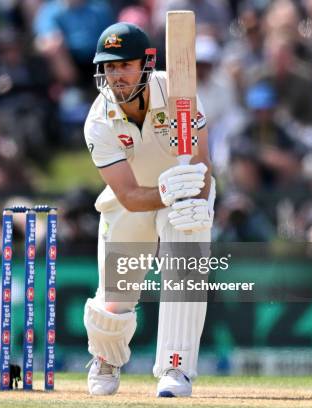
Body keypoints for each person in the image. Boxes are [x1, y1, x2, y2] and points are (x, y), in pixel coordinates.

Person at [82, 23, 214, 397]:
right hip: (135, 199)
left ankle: (176, 368)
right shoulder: (98, 120)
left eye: (124, 64)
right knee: (117, 290)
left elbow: (202, 163)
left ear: (146, 62)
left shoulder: (179, 92)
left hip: (186, 192)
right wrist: (165, 193)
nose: (116, 75)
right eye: (108, 67)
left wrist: (197, 199)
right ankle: (106, 358)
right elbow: (127, 195)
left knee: (184, 267)